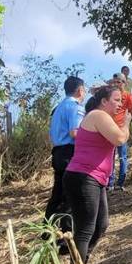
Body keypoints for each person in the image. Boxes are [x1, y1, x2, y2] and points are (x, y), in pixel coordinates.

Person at [63, 86, 130, 264]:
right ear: (103, 101)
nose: (120, 104)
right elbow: (120, 139)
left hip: (94, 179)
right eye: (116, 100)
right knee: (84, 230)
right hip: (83, 177)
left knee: (101, 225)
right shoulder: (98, 115)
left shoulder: (101, 116)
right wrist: (127, 122)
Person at [45, 76, 86, 236]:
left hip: (58, 153)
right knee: (70, 196)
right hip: (70, 153)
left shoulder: (59, 107)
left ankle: (46, 232)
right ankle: (66, 236)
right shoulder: (76, 107)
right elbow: (75, 132)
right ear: (80, 90)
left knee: (57, 196)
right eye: (84, 90)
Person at [107, 75, 132, 192]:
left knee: (123, 157)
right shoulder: (111, 95)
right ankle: (110, 183)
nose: (116, 84)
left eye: (119, 82)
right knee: (110, 157)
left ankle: (120, 183)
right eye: (115, 82)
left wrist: (128, 127)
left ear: (124, 83)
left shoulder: (129, 96)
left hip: (121, 129)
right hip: (110, 129)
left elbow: (131, 113)